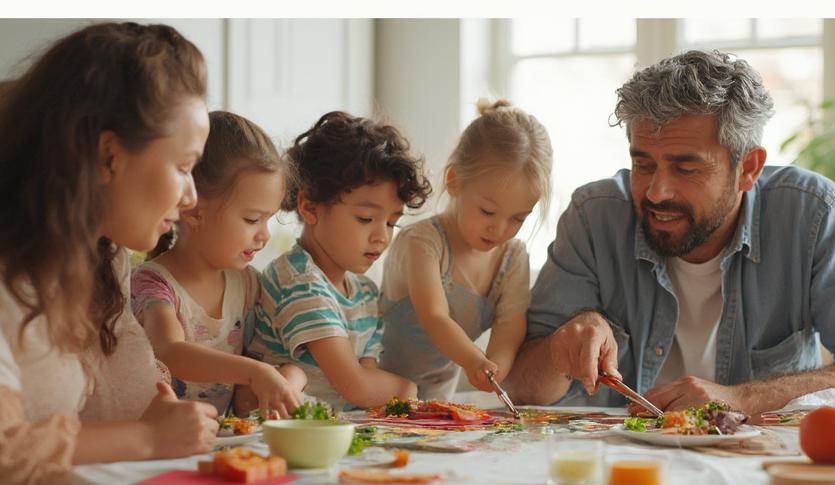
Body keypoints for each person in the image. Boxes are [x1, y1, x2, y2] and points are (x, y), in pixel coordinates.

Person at [506, 50, 835, 414]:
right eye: (643, 164)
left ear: (748, 169)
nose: (656, 191)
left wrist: (743, 399)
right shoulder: (594, 216)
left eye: (686, 168)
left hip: (759, 470)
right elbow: (522, 385)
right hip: (622, 471)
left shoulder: (812, 215)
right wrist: (561, 348)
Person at [0, 22, 221, 485]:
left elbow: (102, 420)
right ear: (109, 157)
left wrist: (158, 418)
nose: (190, 198)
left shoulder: (101, 258)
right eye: (184, 167)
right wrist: (148, 437)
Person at [132, 110, 308, 418]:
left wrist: (287, 379)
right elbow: (170, 351)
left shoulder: (249, 284)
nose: (264, 235)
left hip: (218, 442)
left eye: (268, 219)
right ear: (194, 211)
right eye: (252, 219)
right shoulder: (153, 283)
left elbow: (274, 357)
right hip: (159, 440)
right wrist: (255, 373)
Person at [246, 111, 427, 410]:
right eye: (366, 218)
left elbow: (368, 385)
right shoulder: (299, 281)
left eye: (392, 222)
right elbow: (357, 387)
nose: (382, 236)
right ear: (309, 207)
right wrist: (407, 387)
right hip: (278, 434)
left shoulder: (365, 292)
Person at [378, 100, 551, 400]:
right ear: (454, 180)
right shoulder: (423, 243)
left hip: (439, 397)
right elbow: (435, 316)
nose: (499, 230)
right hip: (376, 391)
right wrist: (474, 360)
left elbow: (510, 323)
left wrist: (496, 367)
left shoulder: (512, 258)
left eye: (518, 218)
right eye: (487, 211)